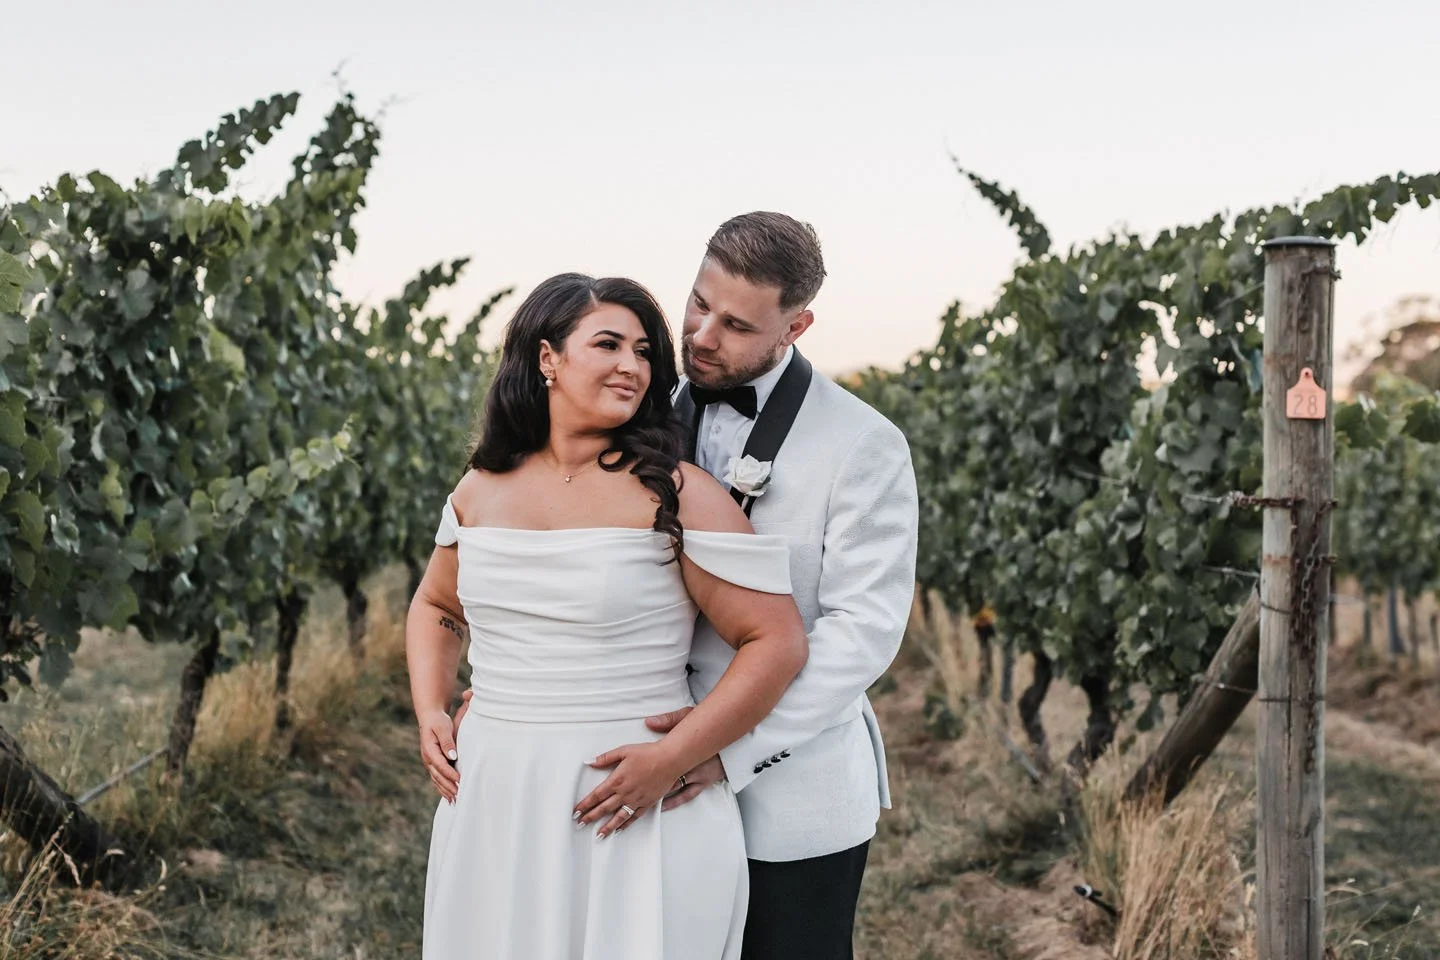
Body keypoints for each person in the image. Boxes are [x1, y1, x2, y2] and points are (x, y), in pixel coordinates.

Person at [457, 213, 920, 959]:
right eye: (698, 303)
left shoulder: (863, 443)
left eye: (736, 324)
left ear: (795, 325)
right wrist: (528, 678)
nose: (701, 335)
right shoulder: (634, 409)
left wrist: (719, 750)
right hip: (635, 785)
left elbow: (861, 631)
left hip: (785, 789)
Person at [407, 272, 809, 960]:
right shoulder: (480, 486)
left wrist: (673, 759)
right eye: (609, 344)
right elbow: (437, 605)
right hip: (496, 793)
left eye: (646, 352)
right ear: (547, 359)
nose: (633, 365)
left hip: (631, 799)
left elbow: (775, 641)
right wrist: (431, 711)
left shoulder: (677, 492)